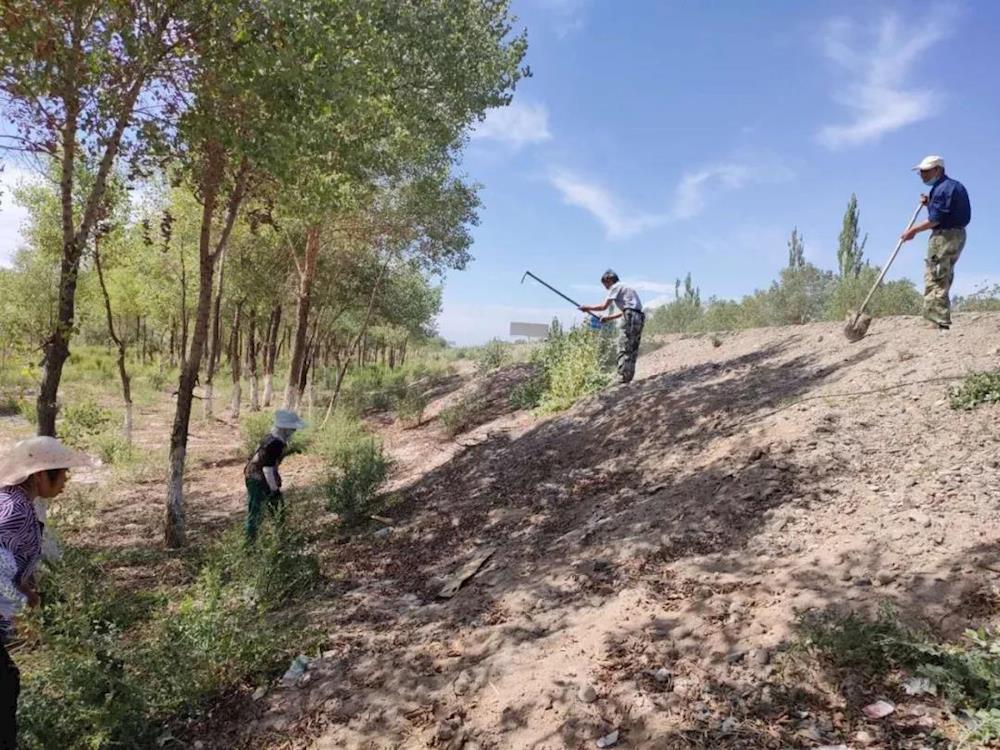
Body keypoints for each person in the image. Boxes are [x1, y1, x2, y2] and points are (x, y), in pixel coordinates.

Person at [0, 436, 90, 749]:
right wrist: (24, 608)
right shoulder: (15, 513)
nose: (66, 479)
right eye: (61, 472)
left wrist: (25, 588)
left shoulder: (13, 502)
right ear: (40, 476)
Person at [900, 155, 971, 329]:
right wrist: (929, 204)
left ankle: (937, 321)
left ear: (937, 169)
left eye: (925, 171)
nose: (922, 175)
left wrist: (913, 231)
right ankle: (939, 319)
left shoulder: (941, 189)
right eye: (921, 172)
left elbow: (936, 219)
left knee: (936, 276)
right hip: (958, 235)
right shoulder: (955, 186)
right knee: (945, 274)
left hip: (943, 236)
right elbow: (947, 211)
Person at [244, 410, 305, 543]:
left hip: (257, 476)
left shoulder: (271, 438)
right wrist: (274, 489)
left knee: (276, 509)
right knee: (256, 512)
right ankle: (250, 545)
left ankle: (280, 539)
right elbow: (267, 468)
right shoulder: (275, 443)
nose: (294, 431)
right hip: (258, 479)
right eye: (292, 428)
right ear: (285, 428)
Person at [580, 269, 645, 384]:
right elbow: (625, 311)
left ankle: (622, 377)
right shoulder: (626, 288)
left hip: (630, 316)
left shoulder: (616, 287)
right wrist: (608, 318)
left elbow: (604, 307)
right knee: (632, 347)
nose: (605, 288)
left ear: (609, 280)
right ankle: (628, 377)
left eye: (605, 284)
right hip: (638, 317)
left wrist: (587, 308)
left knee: (623, 345)